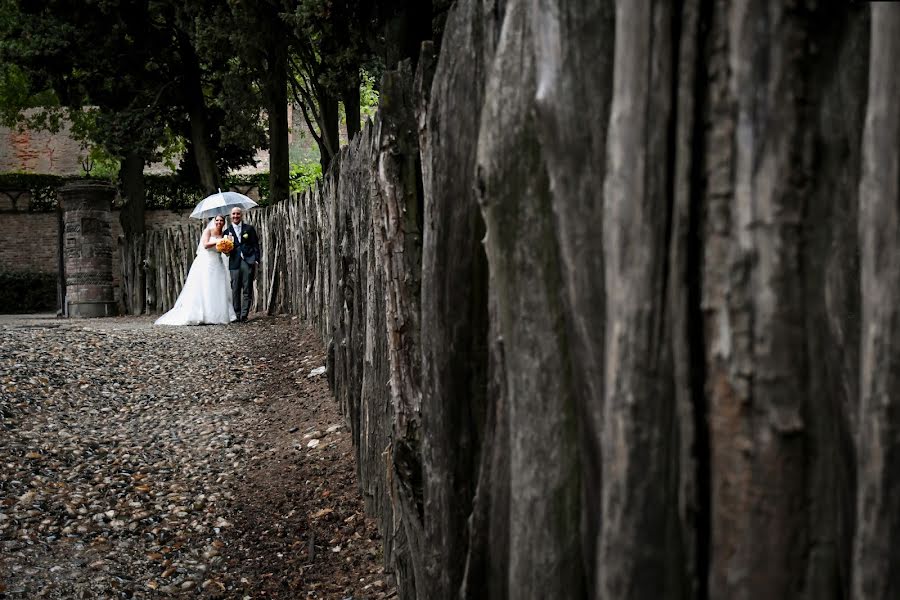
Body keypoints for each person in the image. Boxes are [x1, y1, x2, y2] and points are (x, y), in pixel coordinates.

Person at [155, 215, 237, 326]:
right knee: (205, 286)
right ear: (214, 221)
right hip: (207, 262)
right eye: (217, 220)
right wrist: (219, 242)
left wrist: (227, 247)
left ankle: (217, 315)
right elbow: (205, 245)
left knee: (217, 287)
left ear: (224, 222)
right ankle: (202, 314)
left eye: (221, 220)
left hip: (218, 262)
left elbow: (226, 252)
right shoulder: (208, 231)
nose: (219, 222)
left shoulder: (224, 234)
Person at [223, 207, 260, 322]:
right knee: (235, 288)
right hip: (234, 262)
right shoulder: (227, 232)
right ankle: (237, 314)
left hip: (247, 260)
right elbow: (226, 251)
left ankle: (244, 314)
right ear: (230, 216)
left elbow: (255, 245)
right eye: (233, 214)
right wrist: (226, 250)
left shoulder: (249, 229)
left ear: (241, 215)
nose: (236, 216)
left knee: (247, 288)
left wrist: (256, 259)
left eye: (238, 214)